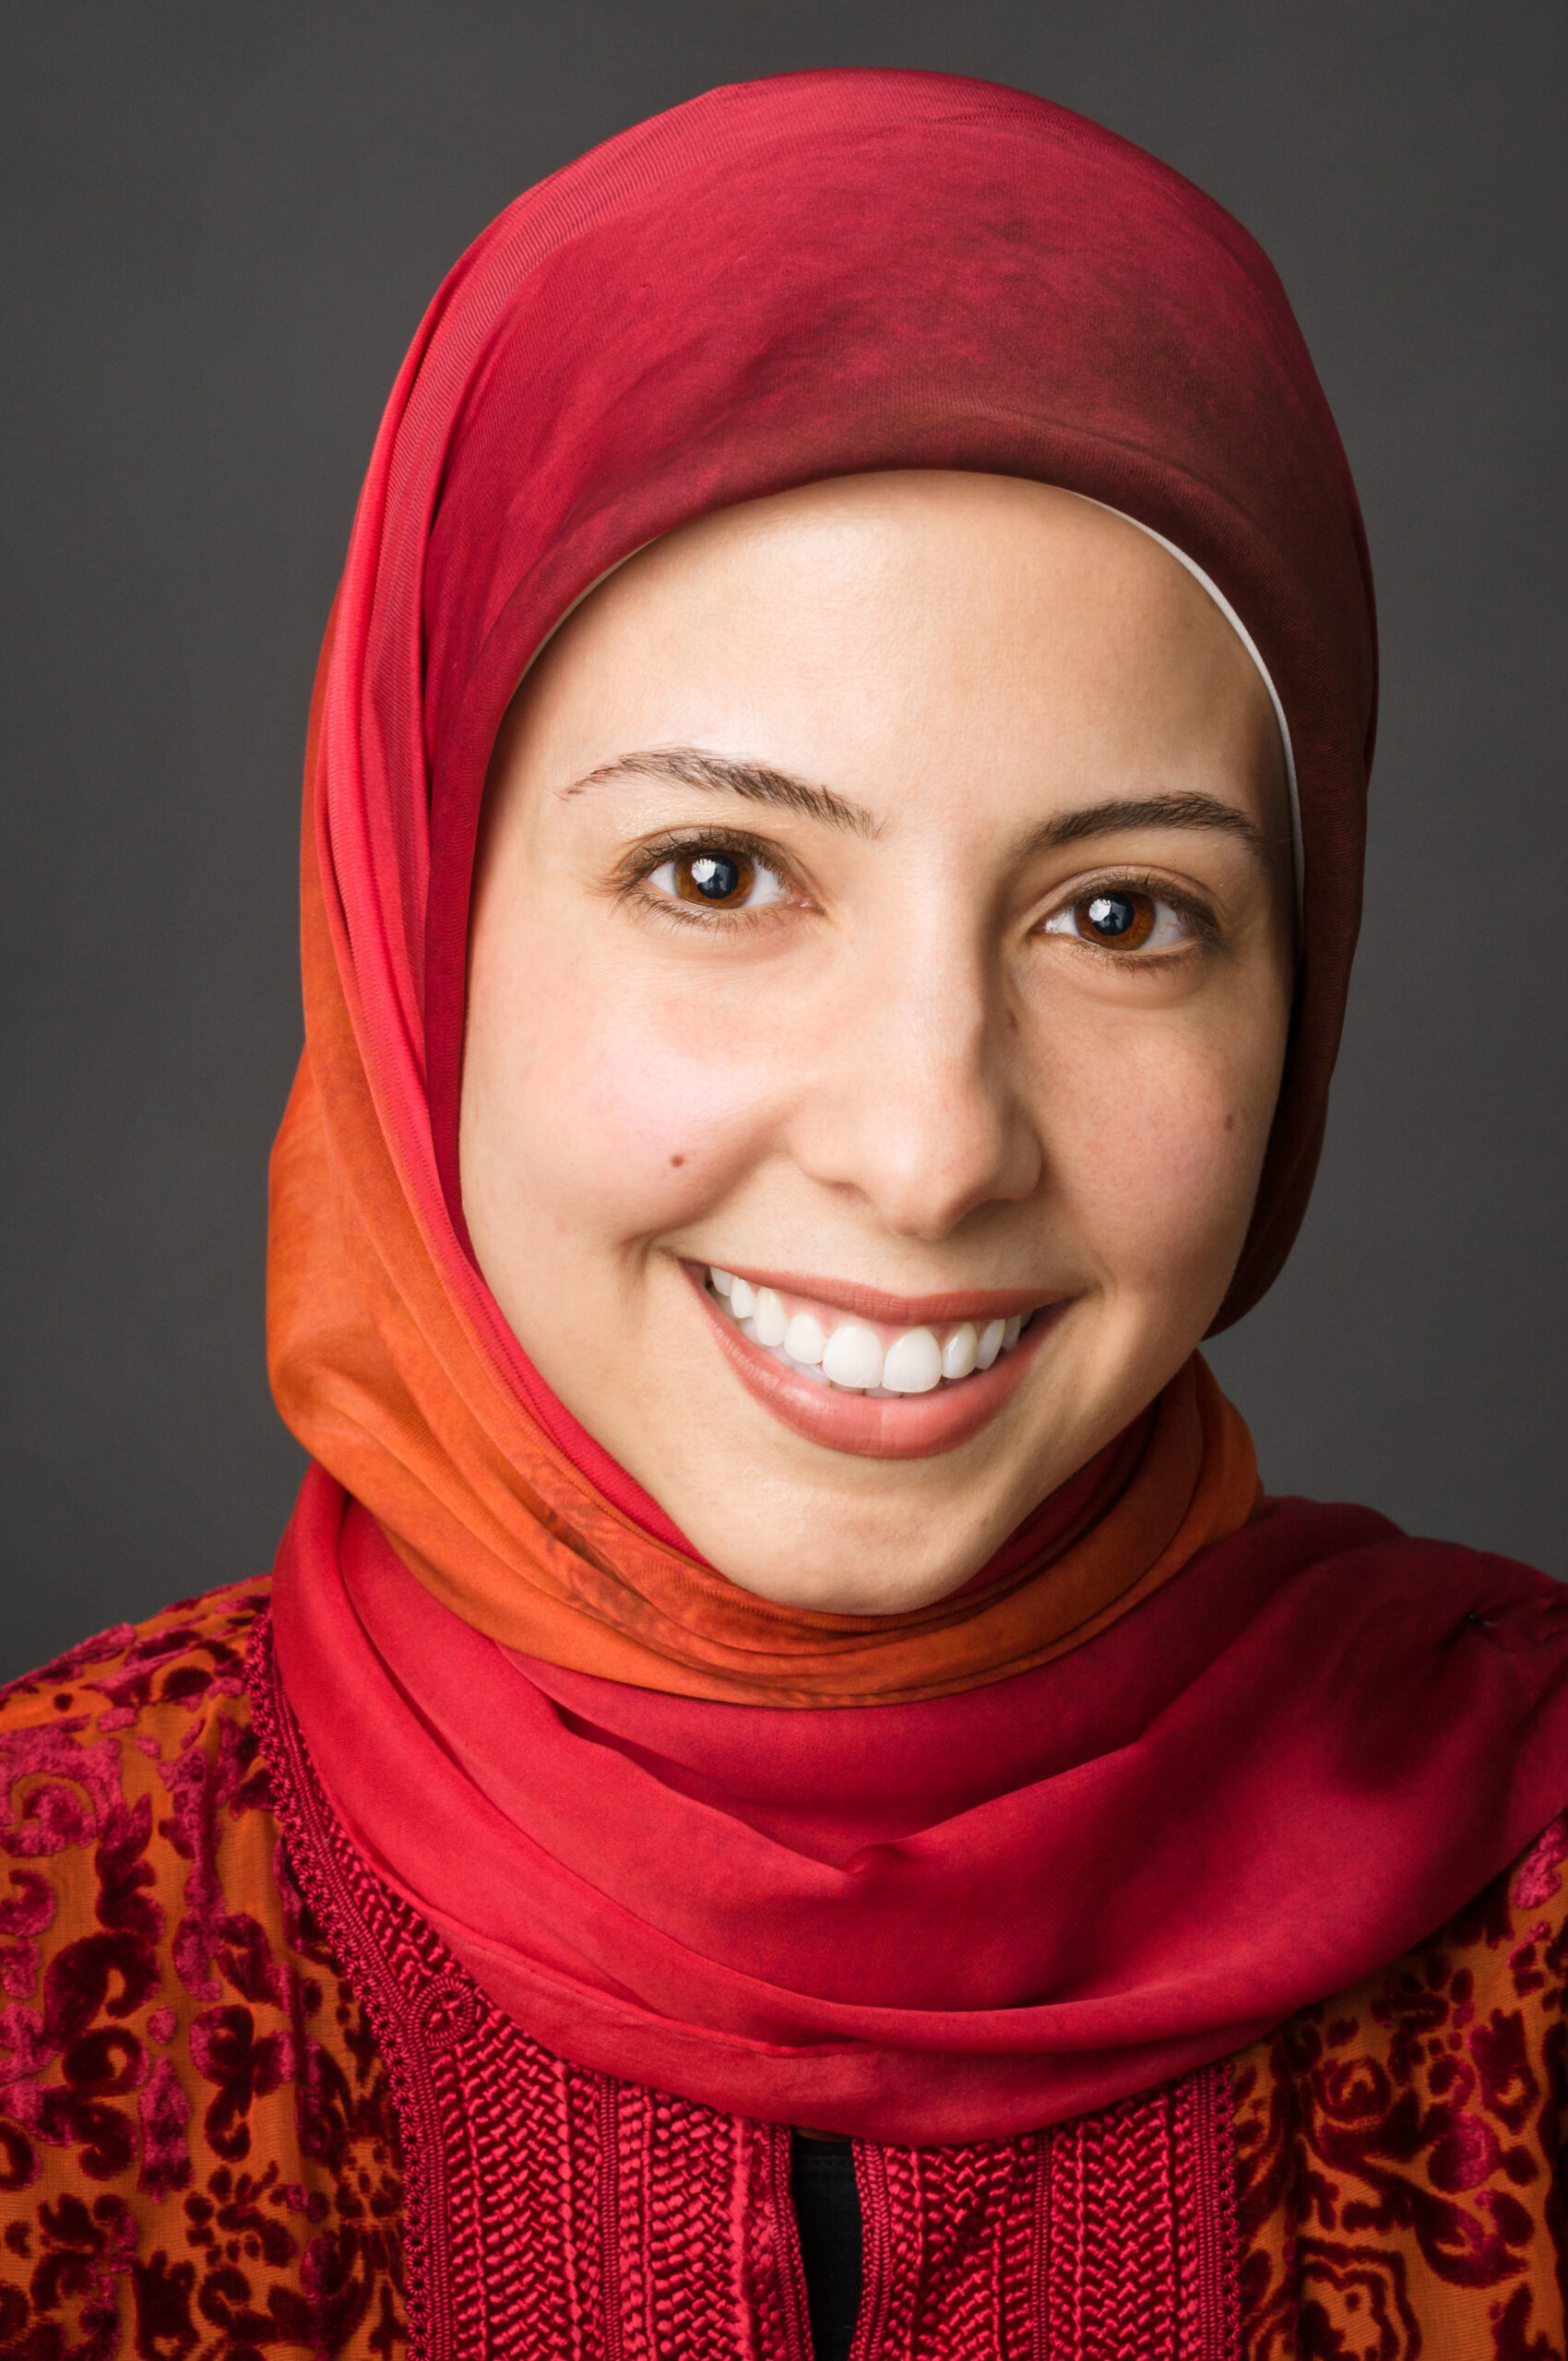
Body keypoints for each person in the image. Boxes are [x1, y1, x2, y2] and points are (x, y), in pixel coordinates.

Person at [2, 67, 1564, 2361]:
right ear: (415, 929)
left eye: (1121, 910)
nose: (931, 1147)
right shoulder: (49, 1940)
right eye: (720, 873)